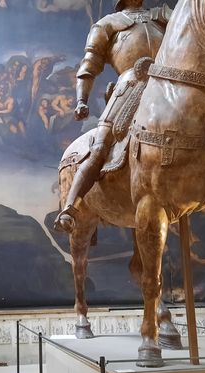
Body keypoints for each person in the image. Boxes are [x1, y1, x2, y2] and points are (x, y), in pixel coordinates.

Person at [54, 0, 170, 232]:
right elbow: (89, 66)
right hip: (129, 86)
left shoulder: (163, 14)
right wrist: (81, 101)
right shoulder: (107, 25)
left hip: (170, 83)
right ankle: (71, 207)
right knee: (99, 148)